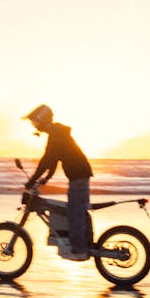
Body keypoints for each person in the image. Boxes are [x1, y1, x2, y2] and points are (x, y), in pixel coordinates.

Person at [24, 104, 93, 261]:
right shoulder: (56, 133)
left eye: (35, 122)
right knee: (75, 210)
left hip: (79, 176)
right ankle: (79, 243)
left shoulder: (56, 134)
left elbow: (46, 160)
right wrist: (47, 178)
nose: (35, 126)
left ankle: (79, 249)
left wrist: (32, 180)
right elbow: (53, 160)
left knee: (74, 211)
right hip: (78, 176)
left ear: (42, 120)